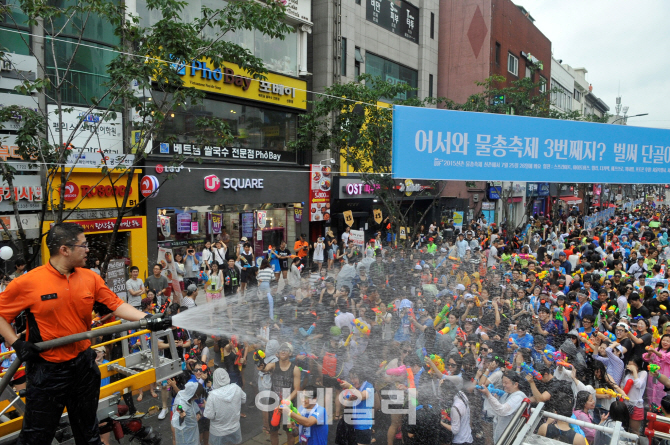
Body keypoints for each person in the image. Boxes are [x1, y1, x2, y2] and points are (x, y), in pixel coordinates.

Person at [0, 222, 170, 444]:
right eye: (84, 245)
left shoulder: (90, 277)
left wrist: (147, 319)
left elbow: (116, 304)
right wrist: (16, 343)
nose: (88, 249)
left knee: (89, 434)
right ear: (64, 249)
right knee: (36, 437)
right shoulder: (29, 282)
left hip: (83, 366)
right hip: (47, 370)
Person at [479, 371, 527, 443]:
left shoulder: (518, 397)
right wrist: (494, 398)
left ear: (515, 384)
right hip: (500, 435)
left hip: (509, 437)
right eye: (503, 382)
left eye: (506, 383)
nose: (503, 385)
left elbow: (502, 410)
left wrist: (488, 394)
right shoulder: (506, 394)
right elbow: (496, 410)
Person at [203, 368, 246, 445]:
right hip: (234, 428)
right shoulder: (236, 388)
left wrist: (206, 406)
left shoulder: (213, 395)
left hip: (218, 432)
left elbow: (209, 415)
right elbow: (243, 399)